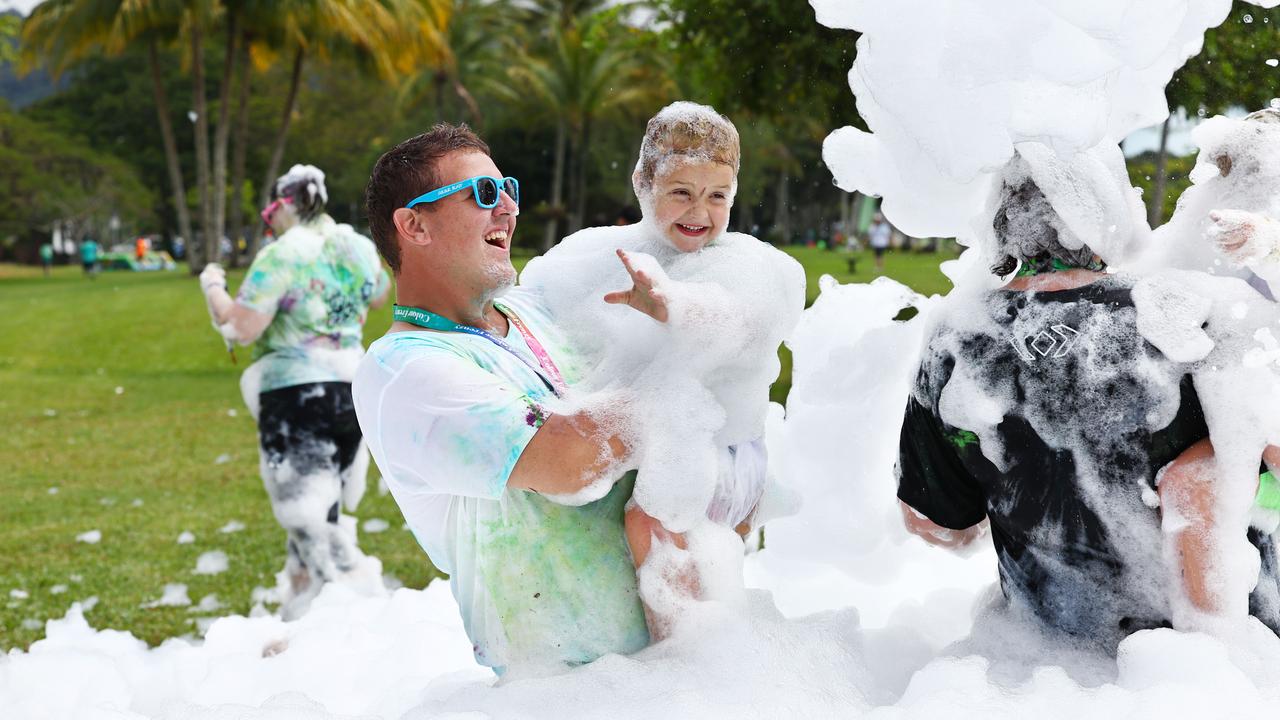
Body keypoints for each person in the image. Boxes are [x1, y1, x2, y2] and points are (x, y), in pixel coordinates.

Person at [894, 147, 1280, 650]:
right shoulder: (1188, 314)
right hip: (1220, 663)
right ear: (1106, 217)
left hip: (1048, 659)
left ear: (998, 224)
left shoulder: (956, 340)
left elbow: (933, 522)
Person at [353, 125, 651, 674]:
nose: (509, 207)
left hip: (679, 669)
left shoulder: (537, 311)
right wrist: (684, 388)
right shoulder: (402, 372)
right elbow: (573, 462)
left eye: (507, 187)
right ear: (413, 225)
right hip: (567, 696)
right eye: (483, 194)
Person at [519, 102, 805, 640]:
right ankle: (709, 673)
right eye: (681, 192)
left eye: (717, 195)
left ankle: (685, 679)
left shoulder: (744, 263)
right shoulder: (594, 254)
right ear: (643, 183)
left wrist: (675, 306)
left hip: (722, 458)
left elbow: (737, 320)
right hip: (698, 449)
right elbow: (538, 311)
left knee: (653, 534)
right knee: (712, 591)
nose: (700, 209)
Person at [198, 164, 389, 620]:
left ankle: (349, 617)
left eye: (272, 208)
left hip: (296, 393)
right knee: (320, 514)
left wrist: (213, 288)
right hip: (350, 390)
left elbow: (241, 326)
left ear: (284, 204)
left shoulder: (284, 254)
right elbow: (380, 294)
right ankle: (306, 606)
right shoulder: (357, 246)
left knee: (312, 524)